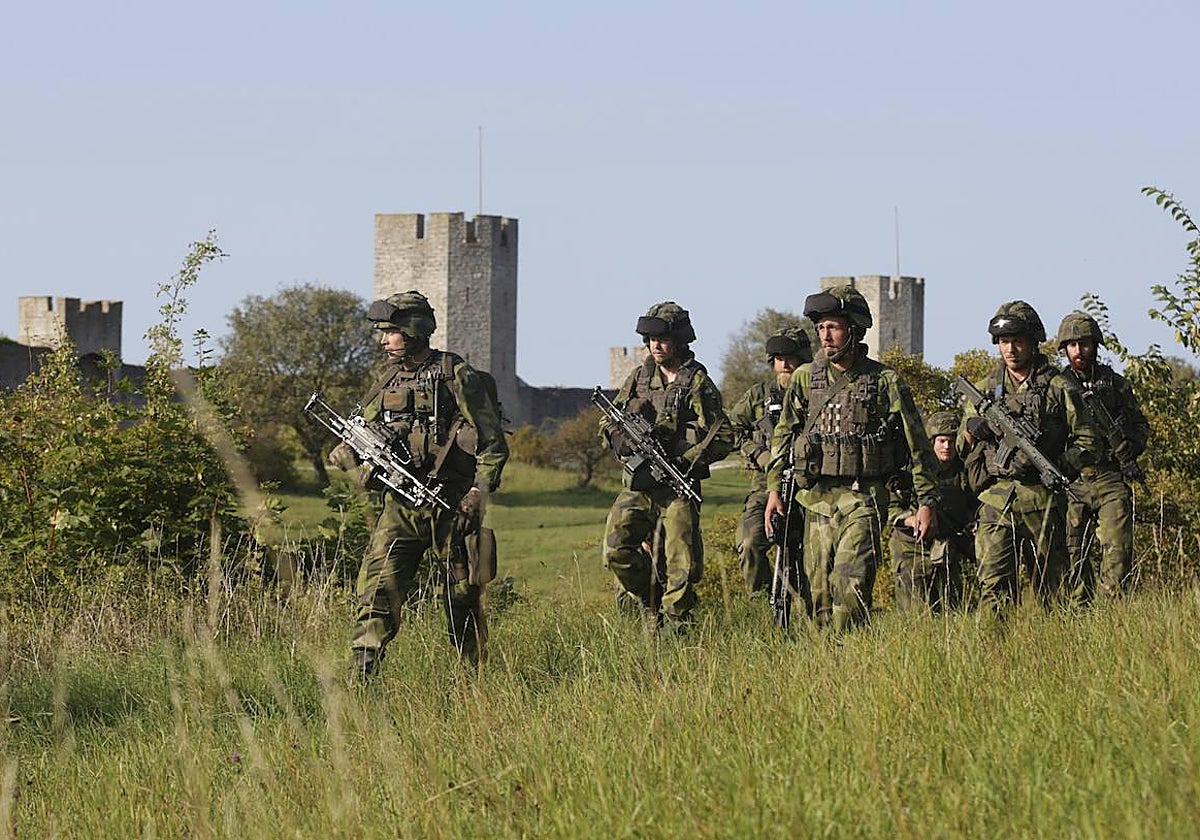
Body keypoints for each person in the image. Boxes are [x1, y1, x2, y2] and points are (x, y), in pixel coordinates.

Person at [328, 291, 508, 676]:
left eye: (391, 332)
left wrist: (478, 493)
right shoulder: (388, 379)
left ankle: (474, 682)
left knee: (463, 599)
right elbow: (361, 432)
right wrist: (350, 455)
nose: (383, 340)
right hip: (401, 509)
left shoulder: (455, 374)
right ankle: (361, 680)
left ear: (412, 330)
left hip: (454, 507)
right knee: (376, 593)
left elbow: (492, 443)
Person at [764, 285, 941, 632]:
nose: (824, 336)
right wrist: (773, 491)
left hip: (864, 500)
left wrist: (926, 502)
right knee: (818, 597)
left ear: (855, 330)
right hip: (815, 502)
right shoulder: (804, 379)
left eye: (833, 327)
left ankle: (850, 662)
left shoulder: (885, 381)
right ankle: (825, 672)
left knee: (850, 590)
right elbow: (783, 436)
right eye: (820, 328)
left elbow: (918, 446)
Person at [600, 301, 733, 632]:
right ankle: (650, 598)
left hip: (676, 485)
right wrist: (617, 437)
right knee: (615, 549)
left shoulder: (695, 381)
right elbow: (610, 418)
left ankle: (677, 631)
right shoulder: (640, 376)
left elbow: (724, 435)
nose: (655, 345)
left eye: (661, 338)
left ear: (679, 339)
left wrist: (685, 460)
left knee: (681, 565)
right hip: (639, 484)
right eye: (649, 338)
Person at [959, 301, 1097, 619]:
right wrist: (972, 430)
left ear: (1035, 341)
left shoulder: (1059, 388)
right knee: (994, 590)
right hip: (997, 500)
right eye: (1004, 342)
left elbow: (1088, 441)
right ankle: (994, 660)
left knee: (1054, 592)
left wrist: (1061, 465)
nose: (1011, 349)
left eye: (1018, 340)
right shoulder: (984, 391)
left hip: (1044, 501)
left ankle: (1052, 659)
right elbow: (960, 447)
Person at [1055, 311, 1149, 602]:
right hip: (1073, 480)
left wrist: (1129, 447)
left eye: (1084, 344)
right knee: (1073, 554)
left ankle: (1112, 613)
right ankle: (1078, 617)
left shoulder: (1116, 385)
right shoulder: (1057, 386)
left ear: (1095, 345)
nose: (1078, 351)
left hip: (1110, 477)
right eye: (1072, 345)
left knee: (1118, 550)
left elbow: (1141, 426)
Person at [728, 327, 812, 595]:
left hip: (809, 485)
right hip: (764, 486)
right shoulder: (758, 396)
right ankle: (762, 601)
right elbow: (731, 429)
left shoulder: (818, 394)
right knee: (750, 542)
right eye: (778, 357)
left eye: (790, 357)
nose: (784, 363)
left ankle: (813, 609)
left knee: (810, 556)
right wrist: (761, 455)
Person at [889, 410, 978, 613]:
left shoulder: (965, 470)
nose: (947, 447)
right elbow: (890, 508)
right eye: (942, 441)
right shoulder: (913, 470)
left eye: (951, 441)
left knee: (952, 609)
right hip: (911, 547)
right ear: (932, 441)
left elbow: (973, 504)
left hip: (948, 548)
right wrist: (913, 520)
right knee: (915, 612)